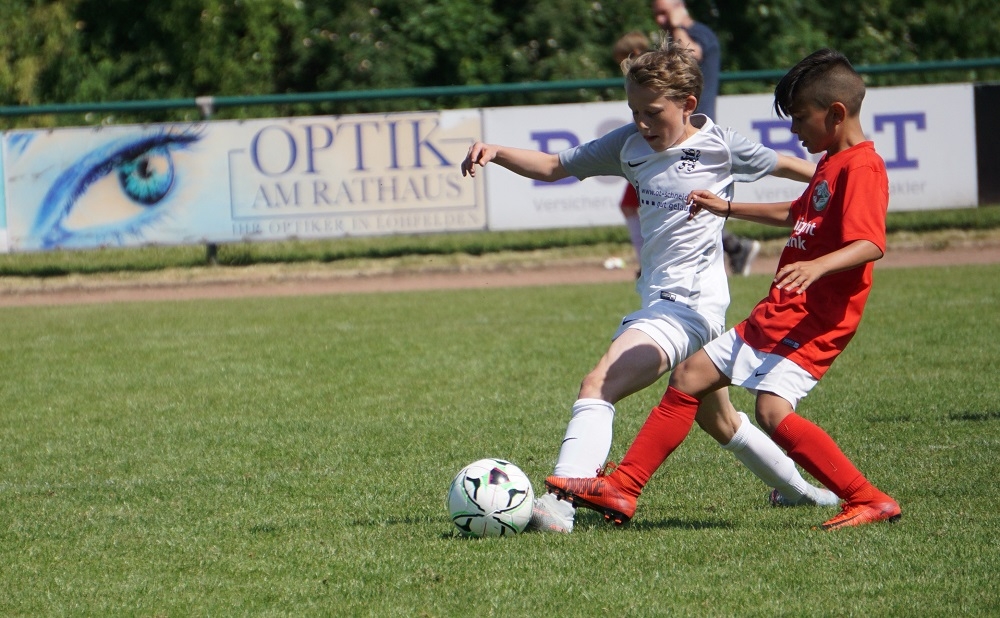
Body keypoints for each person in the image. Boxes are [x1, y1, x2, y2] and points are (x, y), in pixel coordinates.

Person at [462, 39, 835, 534]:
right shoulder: (628, 145)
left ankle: (560, 504)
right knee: (719, 421)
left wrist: (843, 183)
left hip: (687, 308)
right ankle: (804, 494)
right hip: (674, 305)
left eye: (652, 112)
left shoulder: (722, 145)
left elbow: (797, 168)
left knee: (599, 384)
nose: (641, 123)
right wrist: (498, 152)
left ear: (688, 105)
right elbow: (554, 167)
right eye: (634, 110)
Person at [546, 49, 902, 531]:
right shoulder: (833, 162)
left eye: (800, 119)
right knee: (704, 383)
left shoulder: (861, 168)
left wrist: (817, 266)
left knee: (760, 407)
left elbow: (869, 243)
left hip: (815, 315)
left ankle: (865, 498)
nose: (795, 131)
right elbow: (794, 213)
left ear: (835, 114)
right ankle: (624, 488)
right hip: (786, 307)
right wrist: (727, 207)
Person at [652, 0, 761, 276]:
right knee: (681, 199)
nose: (660, 20)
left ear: (679, 7)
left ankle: (733, 248)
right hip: (678, 133)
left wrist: (677, 24)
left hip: (696, 132)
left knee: (688, 201)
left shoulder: (698, 33)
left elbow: (689, 56)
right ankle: (734, 247)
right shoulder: (677, 34)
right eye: (656, 14)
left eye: (664, 12)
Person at [613, 31, 653, 271]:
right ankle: (644, 263)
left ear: (634, 54)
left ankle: (644, 263)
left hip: (650, 153)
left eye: (622, 60)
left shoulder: (647, 79)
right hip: (646, 151)